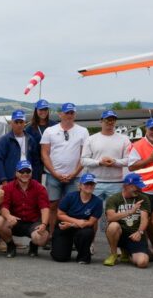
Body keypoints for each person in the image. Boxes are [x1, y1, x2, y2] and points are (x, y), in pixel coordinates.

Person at [40, 102, 89, 242]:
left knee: (72, 207)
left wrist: (74, 173)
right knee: (52, 205)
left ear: (75, 114)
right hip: (53, 175)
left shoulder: (83, 131)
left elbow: (84, 155)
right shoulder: (49, 131)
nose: (69, 115)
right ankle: (51, 234)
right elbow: (44, 154)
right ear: (60, 114)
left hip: (75, 177)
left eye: (72, 113)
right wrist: (54, 173)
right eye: (67, 113)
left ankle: (70, 237)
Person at [0, 160, 49, 258]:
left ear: (31, 173)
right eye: (21, 171)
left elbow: (45, 208)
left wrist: (44, 224)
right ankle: (10, 245)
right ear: (16, 173)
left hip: (33, 222)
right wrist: (8, 216)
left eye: (28, 171)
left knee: (42, 238)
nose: (25, 174)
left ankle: (34, 245)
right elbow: (4, 207)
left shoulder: (40, 187)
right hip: (15, 221)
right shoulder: (8, 187)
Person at [51, 174, 103, 264]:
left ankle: (83, 255)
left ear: (95, 185)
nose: (89, 186)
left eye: (92, 184)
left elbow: (91, 222)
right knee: (60, 257)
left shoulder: (98, 202)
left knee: (87, 232)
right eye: (86, 184)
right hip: (64, 226)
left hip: (82, 229)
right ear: (80, 186)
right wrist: (77, 222)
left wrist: (72, 225)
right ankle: (64, 247)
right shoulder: (70, 197)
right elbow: (60, 215)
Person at [81, 110, 131, 204]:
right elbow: (83, 160)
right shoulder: (91, 139)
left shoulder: (124, 139)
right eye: (107, 120)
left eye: (112, 120)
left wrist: (115, 162)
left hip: (117, 183)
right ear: (101, 121)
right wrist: (99, 162)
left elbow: (129, 160)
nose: (110, 122)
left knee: (113, 210)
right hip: (94, 182)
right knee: (93, 210)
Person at [102, 173, 151, 268]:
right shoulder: (114, 199)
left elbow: (144, 219)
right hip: (120, 233)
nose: (138, 189)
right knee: (113, 226)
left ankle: (128, 253)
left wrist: (140, 232)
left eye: (139, 186)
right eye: (135, 186)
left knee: (143, 262)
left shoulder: (143, 198)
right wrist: (130, 212)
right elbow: (110, 217)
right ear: (126, 186)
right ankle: (114, 254)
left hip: (135, 235)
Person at [0, 110, 42, 185]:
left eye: (21, 122)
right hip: (10, 179)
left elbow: (36, 162)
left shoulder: (30, 139)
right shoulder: (4, 140)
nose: (19, 125)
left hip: (27, 178)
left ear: (24, 123)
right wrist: (3, 179)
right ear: (11, 123)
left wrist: (35, 180)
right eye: (16, 122)